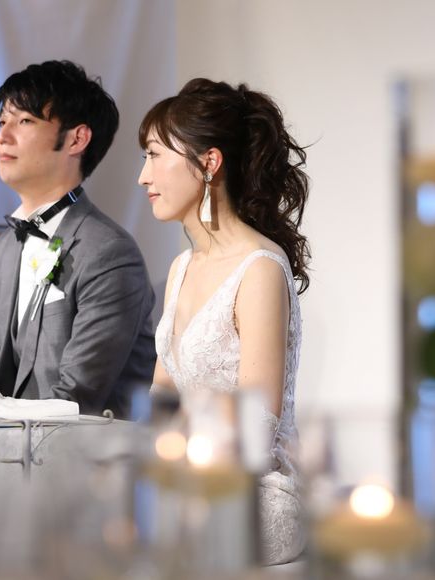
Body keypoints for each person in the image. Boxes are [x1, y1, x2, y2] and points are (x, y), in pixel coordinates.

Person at [138, 78, 310, 565]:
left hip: (254, 492)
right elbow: (161, 400)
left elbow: (257, 425)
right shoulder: (180, 268)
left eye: (154, 155)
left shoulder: (259, 268)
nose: (143, 177)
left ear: (209, 163)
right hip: (187, 479)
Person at [0, 60, 156, 418]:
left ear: (76, 139)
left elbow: (76, 397)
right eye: (2, 122)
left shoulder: (109, 253)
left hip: (80, 448)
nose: (3, 137)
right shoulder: (3, 248)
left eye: (25, 121)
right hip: (2, 444)